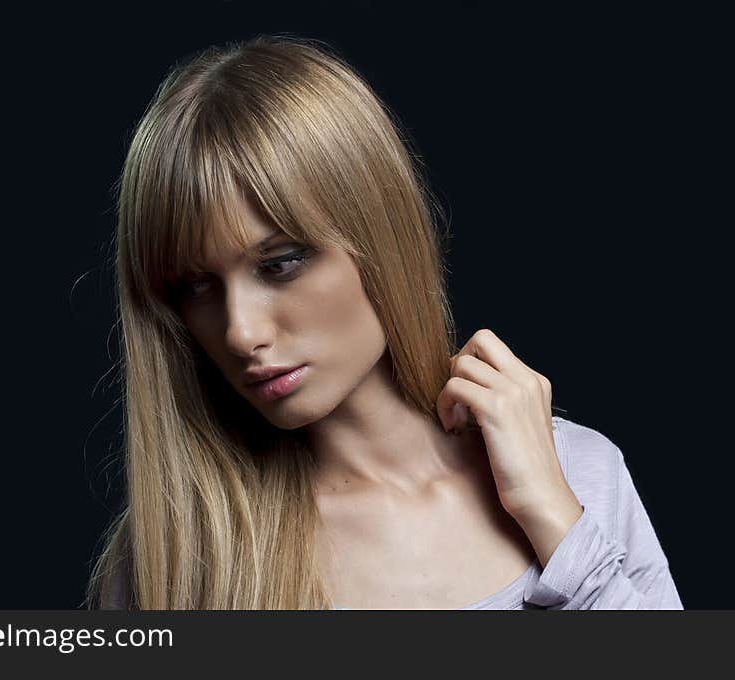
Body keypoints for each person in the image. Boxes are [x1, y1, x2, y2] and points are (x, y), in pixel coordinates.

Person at [85, 34, 683, 610]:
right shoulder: (178, 557)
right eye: (196, 287)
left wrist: (552, 516)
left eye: (281, 263)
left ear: (377, 234)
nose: (240, 332)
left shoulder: (580, 473)